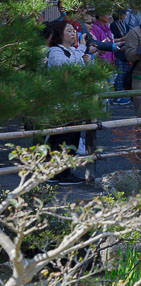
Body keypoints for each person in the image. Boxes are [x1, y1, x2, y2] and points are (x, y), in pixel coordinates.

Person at [45, 21, 96, 185]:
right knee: (63, 139)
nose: (73, 33)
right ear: (60, 34)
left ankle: (59, 173)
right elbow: (67, 68)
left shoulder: (72, 51)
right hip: (61, 103)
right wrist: (81, 50)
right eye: (68, 31)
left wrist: (87, 60)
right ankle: (62, 173)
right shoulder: (54, 51)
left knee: (71, 137)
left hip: (75, 101)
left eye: (74, 31)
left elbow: (85, 72)